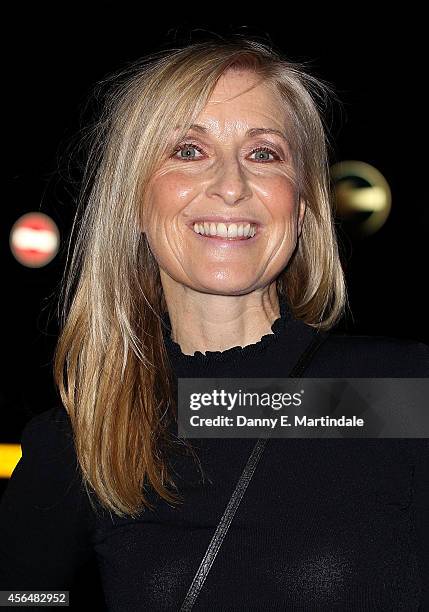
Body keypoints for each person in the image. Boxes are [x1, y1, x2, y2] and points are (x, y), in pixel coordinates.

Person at [0, 36, 428, 612]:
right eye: (188, 150)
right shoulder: (85, 442)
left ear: (302, 209)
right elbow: (25, 600)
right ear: (133, 203)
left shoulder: (401, 393)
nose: (231, 185)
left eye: (265, 153)